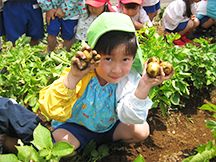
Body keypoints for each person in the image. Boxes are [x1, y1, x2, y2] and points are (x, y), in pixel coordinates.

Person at [39, 12, 174, 154]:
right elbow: (51, 108)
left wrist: (144, 85)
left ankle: (102, 142)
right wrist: (73, 77)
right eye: (108, 59)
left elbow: (130, 116)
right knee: (61, 143)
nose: (117, 70)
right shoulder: (82, 74)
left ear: (133, 58)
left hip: (109, 128)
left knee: (142, 130)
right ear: (94, 54)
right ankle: (85, 144)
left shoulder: (128, 79)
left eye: (125, 59)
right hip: (77, 128)